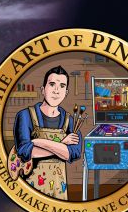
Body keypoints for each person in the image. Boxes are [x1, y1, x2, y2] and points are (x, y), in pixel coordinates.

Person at [11, 66, 79, 199]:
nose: (56, 90)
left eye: (62, 86)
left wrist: (37, 142)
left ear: (66, 92)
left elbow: (72, 153)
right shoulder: (25, 116)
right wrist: (62, 144)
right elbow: (25, 151)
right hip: (31, 188)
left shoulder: (70, 121)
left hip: (59, 190)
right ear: (43, 89)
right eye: (52, 84)